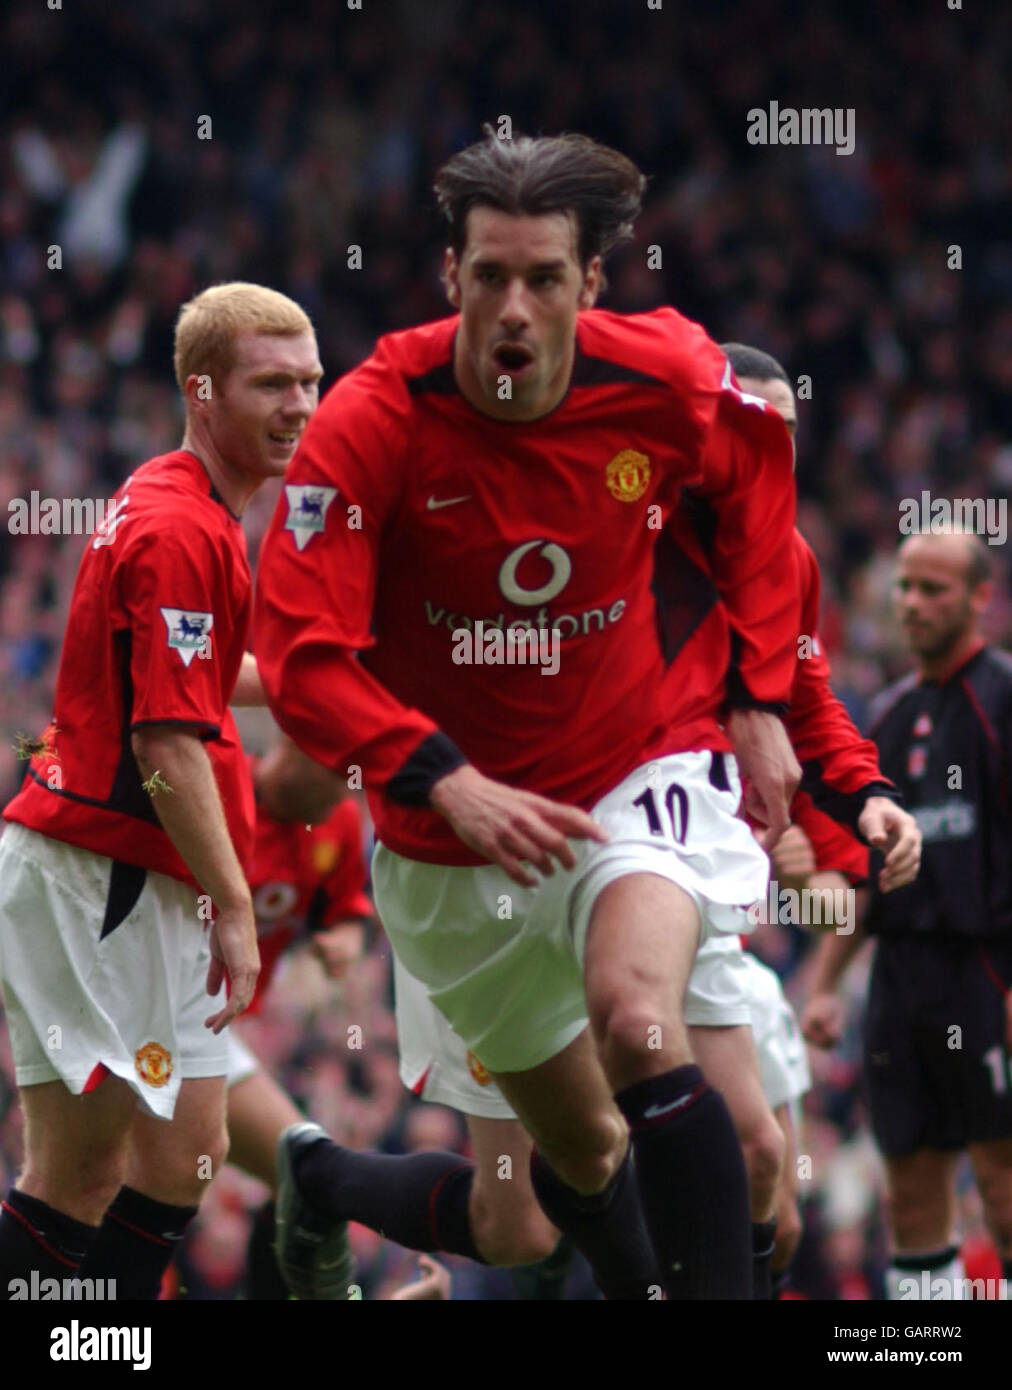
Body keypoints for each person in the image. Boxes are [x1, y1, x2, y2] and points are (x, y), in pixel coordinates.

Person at [255, 129, 803, 1301]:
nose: (514, 306)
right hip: (451, 845)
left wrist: (758, 697)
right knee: (571, 1168)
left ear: (587, 285)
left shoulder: (662, 376)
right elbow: (301, 655)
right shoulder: (370, 423)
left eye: (543, 278)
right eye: (488, 275)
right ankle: (327, 1187)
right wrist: (442, 774)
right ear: (449, 277)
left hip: (627, 772)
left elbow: (758, 472)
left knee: (638, 1021)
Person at [0, 281, 322, 1300]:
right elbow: (166, 742)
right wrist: (235, 904)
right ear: (201, 389)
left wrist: (330, 680)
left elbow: (194, 674)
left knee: (189, 1150)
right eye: (272, 384)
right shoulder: (184, 528)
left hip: (141, 882)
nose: (300, 407)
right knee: (79, 1172)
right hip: (105, 878)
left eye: (310, 383)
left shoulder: (188, 505)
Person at [802, 529, 1012, 1300]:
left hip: (988, 971)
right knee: (911, 1191)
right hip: (901, 981)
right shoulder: (885, 717)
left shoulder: (1003, 699)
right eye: (905, 587)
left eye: (935, 589)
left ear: (981, 598)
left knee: (1003, 1185)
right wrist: (824, 983)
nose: (914, 604)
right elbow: (867, 875)